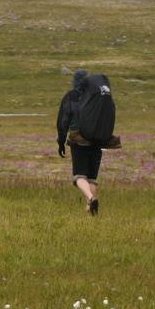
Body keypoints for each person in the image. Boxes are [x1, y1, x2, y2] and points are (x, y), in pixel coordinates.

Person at [57, 69, 102, 216]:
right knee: (92, 179)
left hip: (78, 141)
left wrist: (61, 141)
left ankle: (90, 198)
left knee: (79, 177)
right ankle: (91, 211)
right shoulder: (96, 96)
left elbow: (63, 121)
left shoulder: (71, 96)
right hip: (96, 141)